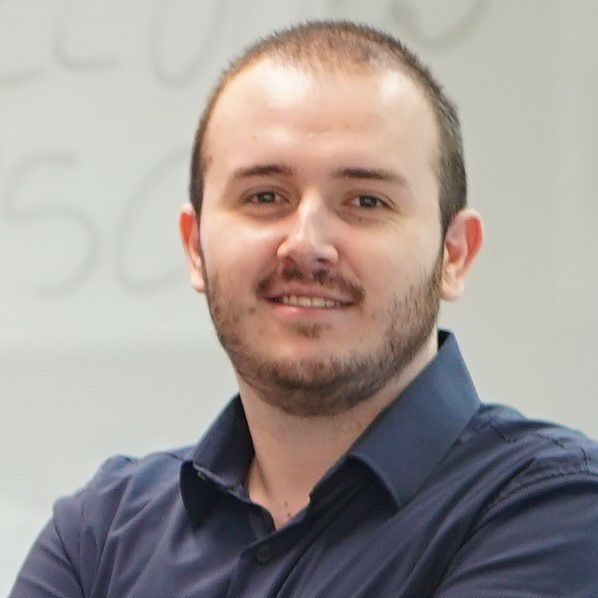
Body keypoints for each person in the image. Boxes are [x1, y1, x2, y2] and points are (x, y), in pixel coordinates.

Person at [10, 20, 598, 598]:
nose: (307, 244)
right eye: (265, 196)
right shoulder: (99, 534)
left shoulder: (554, 509)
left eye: (366, 201)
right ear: (195, 248)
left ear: (454, 255)